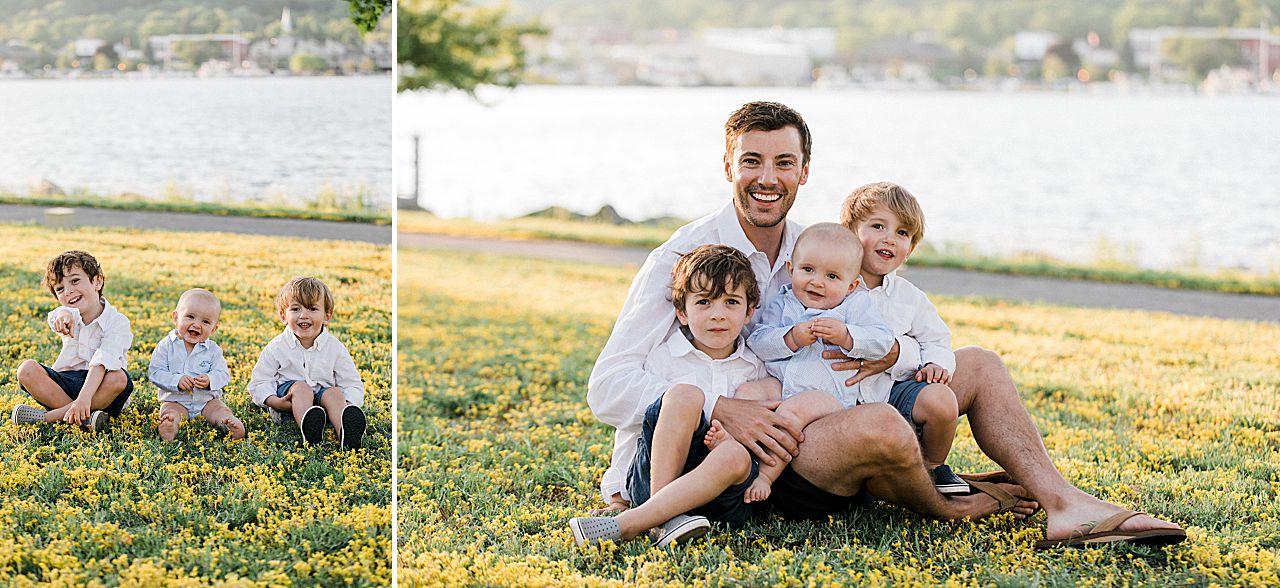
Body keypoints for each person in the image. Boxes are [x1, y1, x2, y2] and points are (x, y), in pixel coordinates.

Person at [587, 100, 1185, 549]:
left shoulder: (821, 247)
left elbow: (895, 310)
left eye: (784, 162)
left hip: (831, 405)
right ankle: (947, 503)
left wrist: (893, 354)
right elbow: (607, 387)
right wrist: (723, 407)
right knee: (879, 425)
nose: (767, 177)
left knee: (978, 364)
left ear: (804, 171)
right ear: (727, 166)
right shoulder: (683, 259)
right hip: (760, 447)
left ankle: (1064, 503)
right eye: (752, 161)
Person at [571, 245, 770, 548]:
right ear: (682, 312)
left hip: (720, 496)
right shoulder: (664, 359)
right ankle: (661, 518)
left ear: (749, 312)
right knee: (684, 396)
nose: (718, 314)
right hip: (656, 480)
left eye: (731, 302)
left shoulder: (755, 367)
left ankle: (635, 523)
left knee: (735, 453)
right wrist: (617, 493)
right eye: (704, 302)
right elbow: (632, 429)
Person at [739, 222, 899, 502]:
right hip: (781, 384)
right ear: (791, 270)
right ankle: (731, 452)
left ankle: (765, 475)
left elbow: (882, 341)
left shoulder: (854, 306)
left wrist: (847, 336)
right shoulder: (784, 302)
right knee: (747, 393)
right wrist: (791, 337)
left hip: (826, 398)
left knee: (792, 413)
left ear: (851, 285)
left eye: (832, 276)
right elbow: (758, 340)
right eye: (808, 270)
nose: (817, 282)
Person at [12, 250, 134, 432]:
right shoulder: (67, 316)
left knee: (119, 377)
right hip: (66, 383)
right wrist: (63, 314)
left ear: (97, 281)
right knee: (26, 370)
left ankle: (49, 418)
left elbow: (102, 361)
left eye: (75, 281)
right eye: (60, 289)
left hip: (102, 389)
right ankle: (86, 418)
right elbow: (57, 315)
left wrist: (84, 398)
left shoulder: (117, 322)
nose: (68, 291)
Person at [248, 276, 366, 449]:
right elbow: (259, 382)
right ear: (283, 316)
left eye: (312, 308)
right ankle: (309, 430)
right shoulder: (277, 347)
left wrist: (346, 404)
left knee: (334, 393)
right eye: (296, 309)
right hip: (288, 406)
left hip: (324, 407)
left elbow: (351, 383)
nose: (303, 315)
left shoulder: (335, 348)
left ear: (326, 316)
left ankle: (345, 431)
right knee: (301, 388)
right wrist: (274, 402)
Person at [148, 288, 245, 442]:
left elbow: (223, 374)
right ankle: (169, 427)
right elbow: (155, 372)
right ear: (176, 318)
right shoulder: (166, 345)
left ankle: (227, 423)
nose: (197, 324)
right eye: (190, 317)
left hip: (207, 401)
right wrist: (177, 381)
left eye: (205, 322)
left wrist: (210, 380)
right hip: (176, 401)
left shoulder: (213, 350)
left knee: (220, 409)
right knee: (170, 412)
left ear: (213, 329)